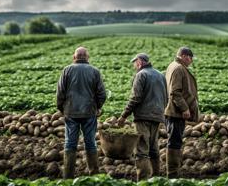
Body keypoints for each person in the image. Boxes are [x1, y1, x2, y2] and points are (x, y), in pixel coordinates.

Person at [57, 47, 106, 179]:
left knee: (70, 143)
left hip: (71, 112)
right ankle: (94, 175)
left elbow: (60, 93)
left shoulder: (67, 70)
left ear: (74, 57)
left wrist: (63, 109)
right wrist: (98, 107)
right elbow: (102, 93)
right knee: (90, 142)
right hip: (89, 113)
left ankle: (68, 177)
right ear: (87, 57)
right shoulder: (95, 71)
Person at [117, 53, 167, 181]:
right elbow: (166, 97)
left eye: (135, 63)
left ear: (139, 62)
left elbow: (135, 98)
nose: (134, 66)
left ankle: (143, 181)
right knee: (154, 149)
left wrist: (123, 116)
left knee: (141, 151)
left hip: (143, 117)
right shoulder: (160, 75)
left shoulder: (141, 75)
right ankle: (157, 179)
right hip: (157, 116)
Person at [164, 47, 199, 177]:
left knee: (175, 140)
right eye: (191, 58)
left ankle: (173, 172)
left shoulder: (174, 65)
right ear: (184, 56)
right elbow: (175, 92)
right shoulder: (178, 68)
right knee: (174, 141)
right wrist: (184, 108)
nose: (191, 61)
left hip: (173, 110)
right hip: (175, 112)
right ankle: (172, 174)